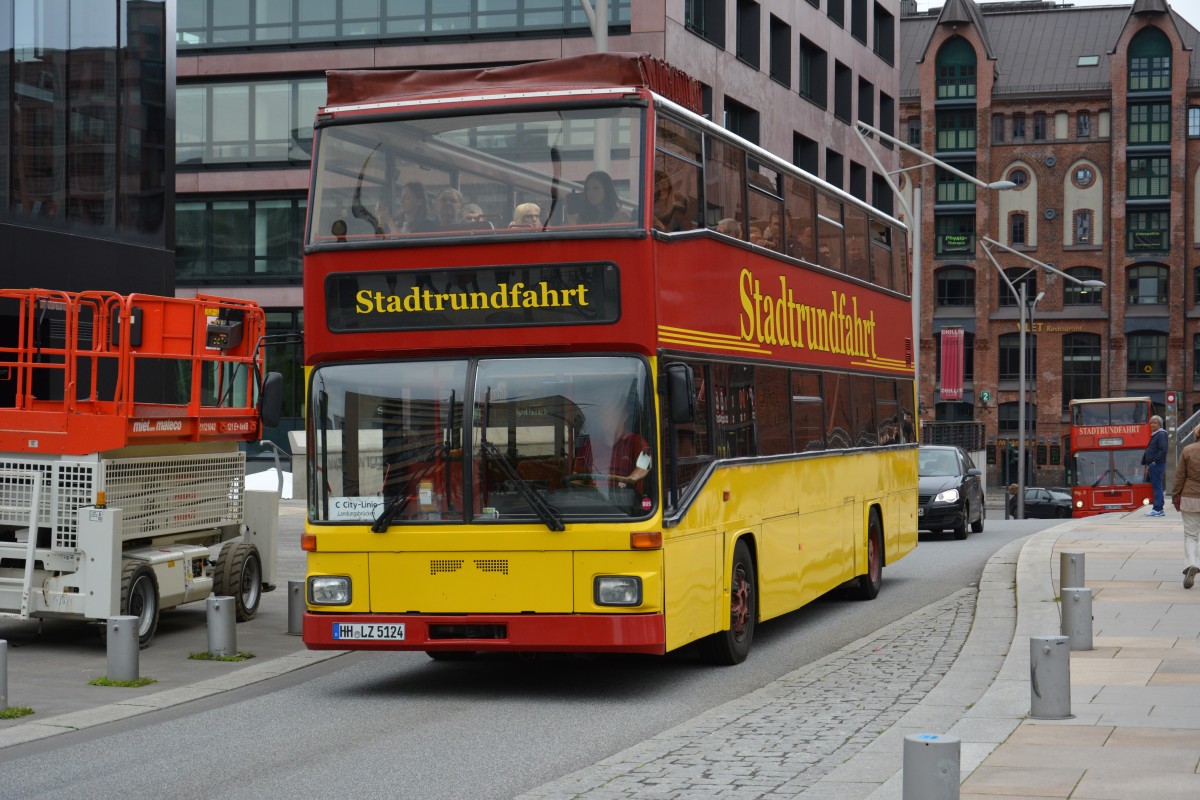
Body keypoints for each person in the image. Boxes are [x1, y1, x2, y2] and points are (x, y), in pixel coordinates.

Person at [1172, 437, 1200, 588]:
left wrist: (1175, 494)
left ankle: (1192, 564)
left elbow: (1180, 475)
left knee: (1191, 536)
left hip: (1190, 498)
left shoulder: (1188, 450)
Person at [1142, 414, 1168, 516]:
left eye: (1155, 423)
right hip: (1154, 465)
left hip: (1157, 465)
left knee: (1157, 487)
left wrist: (1154, 462)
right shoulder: (1156, 434)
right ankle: (1158, 508)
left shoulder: (1161, 434)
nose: (1152, 425)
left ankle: (1158, 509)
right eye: (1151, 423)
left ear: (1160, 424)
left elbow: (1163, 449)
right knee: (1157, 487)